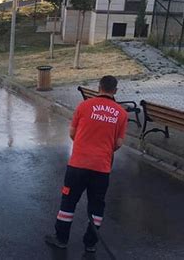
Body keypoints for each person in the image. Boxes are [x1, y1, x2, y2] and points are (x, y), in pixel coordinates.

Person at [45, 75, 128, 253]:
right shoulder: (121, 113)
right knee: (96, 207)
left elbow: (73, 133)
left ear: (99, 88)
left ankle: (61, 239)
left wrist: (84, 144)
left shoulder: (84, 106)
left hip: (77, 165)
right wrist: (104, 150)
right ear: (115, 91)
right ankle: (90, 243)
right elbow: (119, 143)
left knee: (68, 203)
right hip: (102, 168)